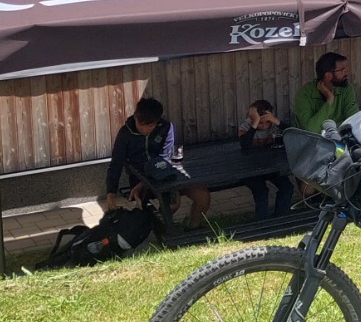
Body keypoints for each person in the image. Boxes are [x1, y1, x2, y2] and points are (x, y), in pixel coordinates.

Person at [106, 98, 211, 229]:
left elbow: (166, 158)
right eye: (141, 125)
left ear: (157, 121)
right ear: (135, 117)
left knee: (203, 196)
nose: (145, 129)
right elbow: (116, 163)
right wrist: (111, 193)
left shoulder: (166, 128)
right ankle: (163, 229)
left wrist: (146, 182)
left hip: (168, 174)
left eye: (150, 126)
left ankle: (192, 227)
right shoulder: (125, 133)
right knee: (172, 204)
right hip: (140, 178)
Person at [237, 99, 295, 221]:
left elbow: (294, 135)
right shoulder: (246, 126)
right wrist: (254, 125)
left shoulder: (273, 125)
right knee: (261, 191)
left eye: (265, 122)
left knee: (287, 187)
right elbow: (245, 145)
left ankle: (281, 217)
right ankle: (261, 219)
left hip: (270, 166)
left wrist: (277, 121)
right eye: (259, 123)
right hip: (251, 168)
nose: (263, 126)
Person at [293, 52, 358, 131]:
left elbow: (354, 122)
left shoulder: (346, 88)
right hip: (313, 139)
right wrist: (329, 100)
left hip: (341, 138)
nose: (346, 73)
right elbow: (310, 130)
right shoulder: (304, 94)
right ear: (328, 76)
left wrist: (327, 130)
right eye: (342, 70)